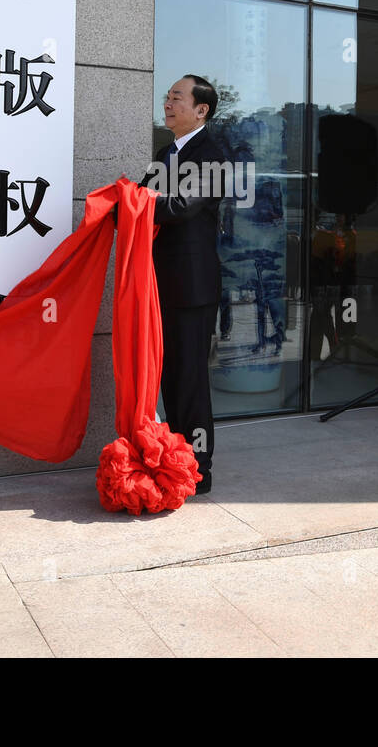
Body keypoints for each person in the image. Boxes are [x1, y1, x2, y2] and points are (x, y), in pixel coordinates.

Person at [139, 75, 226, 494]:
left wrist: (134, 202)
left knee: (190, 379)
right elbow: (141, 198)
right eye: (167, 97)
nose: (168, 103)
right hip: (161, 283)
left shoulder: (213, 157)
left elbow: (176, 206)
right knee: (169, 378)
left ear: (201, 110)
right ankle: (175, 460)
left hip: (192, 288)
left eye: (177, 97)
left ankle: (198, 469)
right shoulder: (165, 152)